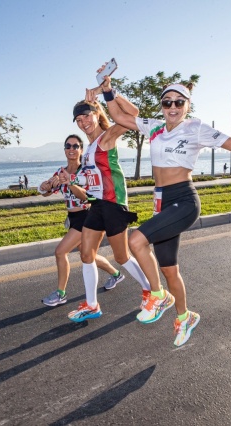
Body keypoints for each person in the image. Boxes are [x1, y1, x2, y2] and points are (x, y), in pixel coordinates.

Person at [100, 74, 231, 346]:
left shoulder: (195, 128)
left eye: (179, 103)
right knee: (169, 270)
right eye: (167, 102)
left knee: (136, 240)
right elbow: (119, 117)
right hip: (161, 202)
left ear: (187, 105)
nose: (173, 107)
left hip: (184, 200)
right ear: (162, 105)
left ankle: (157, 297)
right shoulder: (155, 127)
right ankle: (185, 317)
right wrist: (109, 91)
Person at [57, 90, 152, 323]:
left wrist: (109, 92)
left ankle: (152, 290)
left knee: (122, 257)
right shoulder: (88, 148)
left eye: (86, 117)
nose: (83, 123)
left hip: (113, 204)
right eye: (79, 121)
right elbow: (92, 178)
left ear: (96, 114)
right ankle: (91, 305)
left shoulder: (107, 137)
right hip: (97, 204)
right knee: (86, 253)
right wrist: (72, 181)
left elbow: (132, 113)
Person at [39, 135, 125, 307]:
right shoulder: (60, 171)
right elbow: (47, 190)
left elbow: (86, 197)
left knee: (60, 252)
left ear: (81, 150)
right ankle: (116, 274)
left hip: (87, 216)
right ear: (64, 149)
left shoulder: (86, 171)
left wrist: (69, 182)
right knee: (87, 255)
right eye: (68, 146)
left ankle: (61, 294)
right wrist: (45, 187)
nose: (71, 149)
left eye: (76, 146)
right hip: (73, 218)